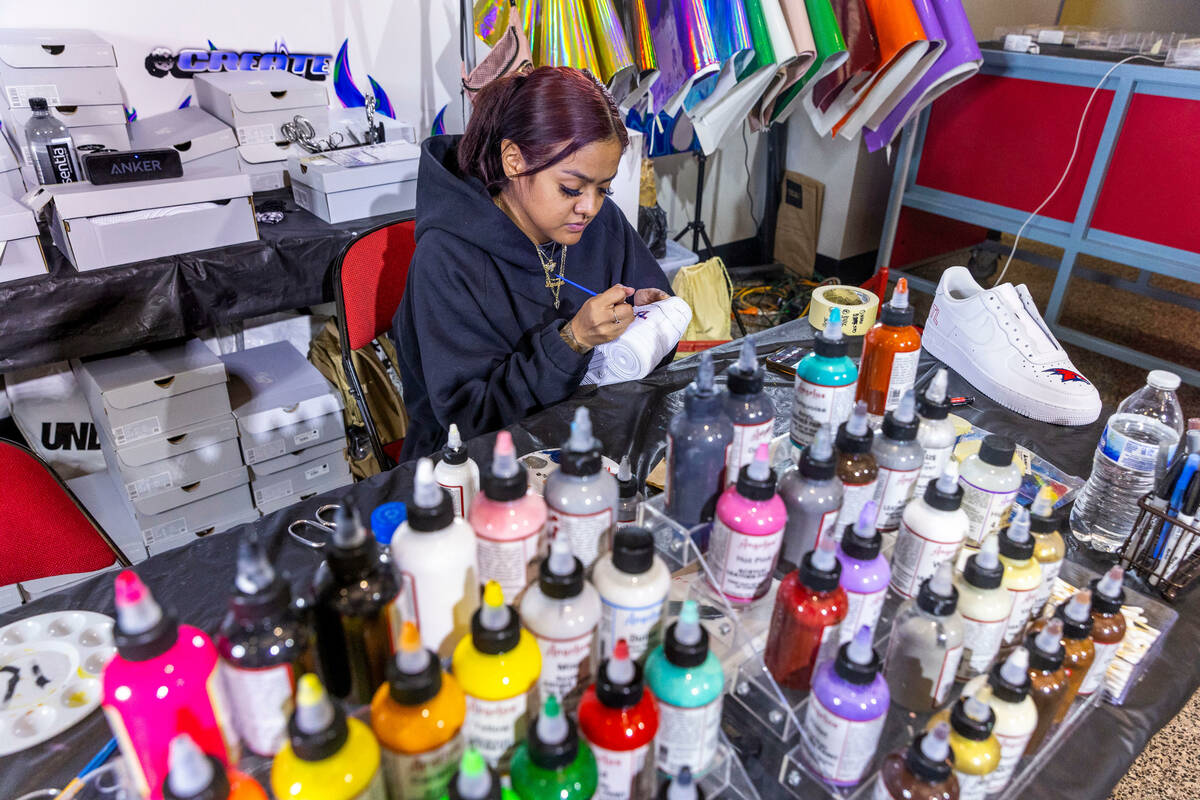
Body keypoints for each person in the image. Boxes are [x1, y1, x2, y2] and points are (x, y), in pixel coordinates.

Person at [393, 67, 672, 459]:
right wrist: (571, 342)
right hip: (477, 462)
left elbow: (658, 343)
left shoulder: (600, 221)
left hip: (588, 430)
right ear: (514, 161)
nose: (589, 207)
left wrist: (649, 314)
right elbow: (472, 419)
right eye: (571, 189)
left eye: (603, 189)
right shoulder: (447, 259)